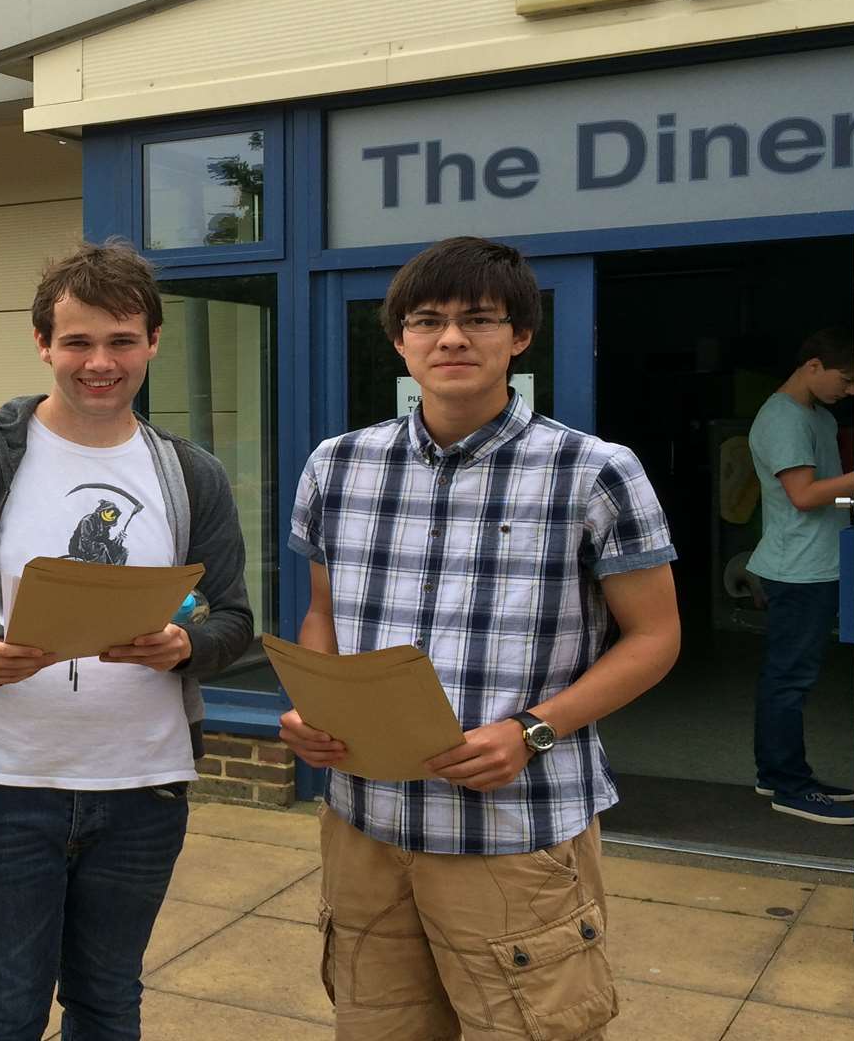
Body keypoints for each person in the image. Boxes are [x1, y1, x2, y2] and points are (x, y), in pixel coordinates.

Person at [278, 236, 680, 1040]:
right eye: (427, 321)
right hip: (366, 825)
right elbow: (323, 614)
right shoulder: (338, 466)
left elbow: (655, 638)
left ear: (520, 336)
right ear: (399, 339)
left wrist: (534, 729)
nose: (451, 339)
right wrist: (312, 709)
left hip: (512, 833)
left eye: (479, 319)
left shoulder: (595, 470)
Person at [0, 240, 254, 1041]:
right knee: (5, 1013)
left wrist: (185, 647)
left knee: (110, 1004)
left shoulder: (193, 476)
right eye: (78, 341)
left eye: (122, 341)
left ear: (153, 342)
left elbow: (234, 623)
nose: (100, 362)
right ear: (43, 343)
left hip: (144, 786)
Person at [746, 327, 854, 825]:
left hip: (816, 564)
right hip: (798, 570)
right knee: (789, 680)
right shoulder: (783, 419)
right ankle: (788, 785)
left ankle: (780, 775)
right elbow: (805, 495)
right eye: (846, 379)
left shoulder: (816, 415)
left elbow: (823, 496)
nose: (850, 390)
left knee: (791, 676)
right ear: (812, 366)